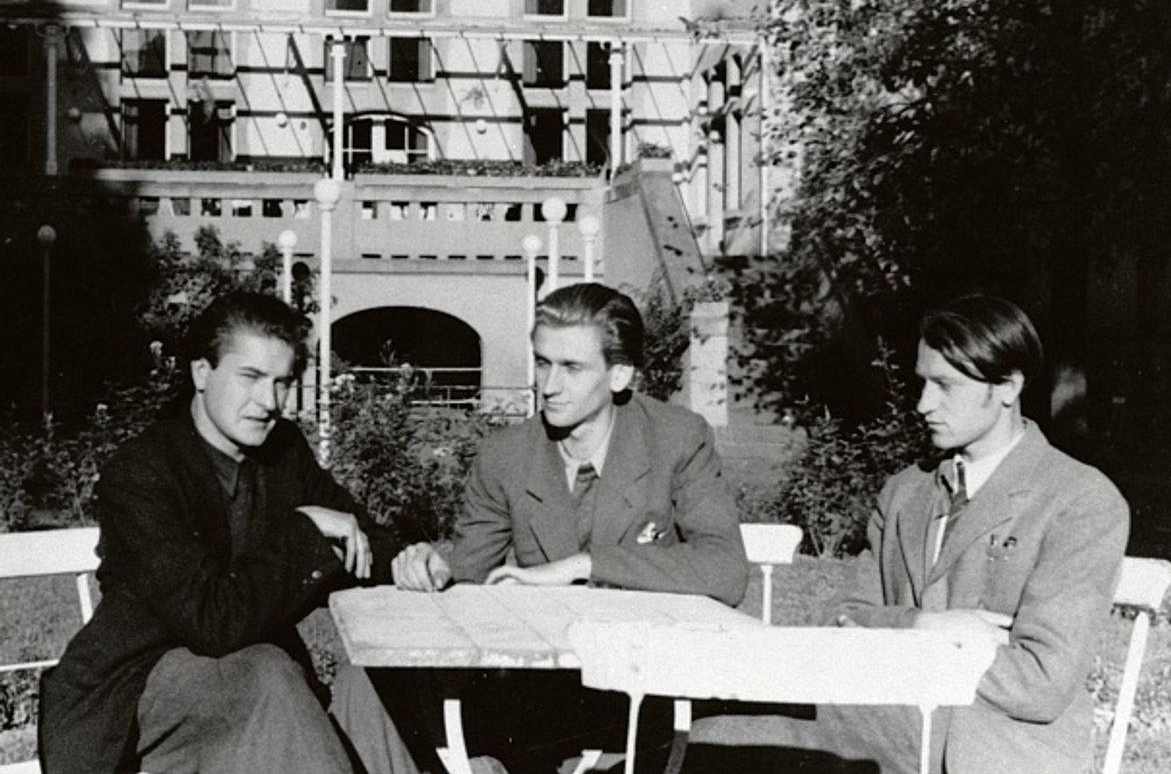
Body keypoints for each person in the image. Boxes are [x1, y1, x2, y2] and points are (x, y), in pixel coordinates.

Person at [692, 294, 1130, 773]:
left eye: (945, 386)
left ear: (1008, 386)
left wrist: (887, 639)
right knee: (715, 729)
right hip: (888, 729)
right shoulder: (907, 492)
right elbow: (839, 618)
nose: (924, 404)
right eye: (923, 382)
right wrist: (926, 627)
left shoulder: (1079, 499)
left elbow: (1040, 682)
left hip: (995, 748)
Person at [334, 282, 749, 773]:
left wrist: (581, 566)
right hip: (538, 694)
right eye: (543, 362)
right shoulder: (506, 455)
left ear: (619, 375)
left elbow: (725, 569)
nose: (549, 385)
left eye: (572, 368)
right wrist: (433, 566)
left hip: (643, 690)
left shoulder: (677, 438)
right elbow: (470, 567)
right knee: (365, 681)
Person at [39, 291, 408, 774]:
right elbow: (213, 621)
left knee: (369, 683)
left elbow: (359, 533)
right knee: (268, 674)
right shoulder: (142, 472)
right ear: (201, 373)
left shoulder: (282, 452)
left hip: (255, 683)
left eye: (282, 382)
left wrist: (403, 559)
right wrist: (307, 528)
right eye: (250, 377)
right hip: (138, 690)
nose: (269, 402)